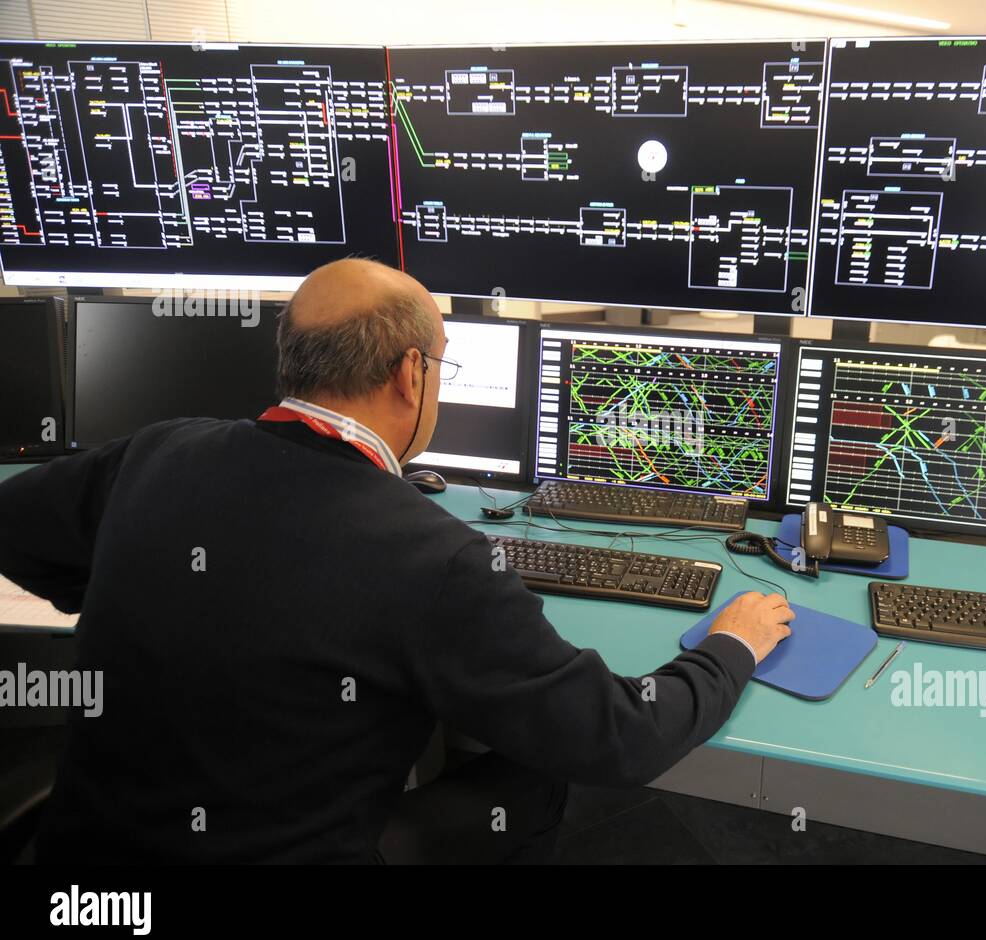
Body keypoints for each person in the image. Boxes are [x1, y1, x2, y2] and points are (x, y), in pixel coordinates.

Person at [0, 258, 794, 864]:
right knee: (532, 776)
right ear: (412, 374)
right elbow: (619, 738)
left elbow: (14, 529)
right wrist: (732, 645)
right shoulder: (431, 554)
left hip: (83, 870)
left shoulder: (156, 452)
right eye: (440, 367)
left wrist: (130, 590)